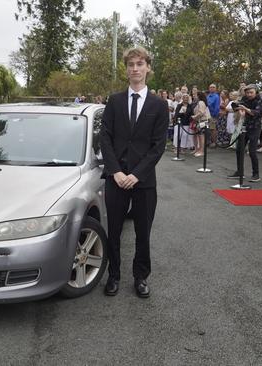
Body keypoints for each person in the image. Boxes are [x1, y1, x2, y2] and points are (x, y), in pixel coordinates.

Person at [100, 46, 169, 299]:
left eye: (140, 64)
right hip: (115, 178)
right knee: (114, 231)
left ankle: (141, 277)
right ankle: (113, 276)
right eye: (131, 64)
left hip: (144, 181)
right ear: (126, 69)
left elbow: (158, 146)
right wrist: (116, 171)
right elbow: (105, 138)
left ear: (148, 67)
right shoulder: (115, 101)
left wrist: (137, 174)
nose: (135, 69)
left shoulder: (159, 105)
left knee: (143, 232)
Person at [227, 84, 262, 182]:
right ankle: (240, 172)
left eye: (251, 92)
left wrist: (245, 109)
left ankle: (256, 174)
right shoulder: (245, 98)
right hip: (245, 127)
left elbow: (256, 113)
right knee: (239, 149)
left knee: (252, 151)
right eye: (247, 93)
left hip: (255, 127)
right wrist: (238, 106)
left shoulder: (260, 100)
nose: (249, 94)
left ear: (256, 91)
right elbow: (234, 106)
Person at [191, 91, 210, 157]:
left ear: (199, 96)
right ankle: (199, 149)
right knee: (199, 135)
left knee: (201, 136)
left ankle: (201, 151)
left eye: (195, 95)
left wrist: (194, 117)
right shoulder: (199, 102)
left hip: (203, 121)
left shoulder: (201, 102)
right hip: (200, 121)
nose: (194, 96)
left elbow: (201, 112)